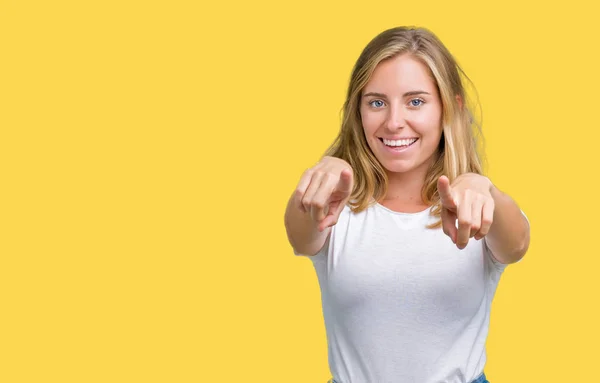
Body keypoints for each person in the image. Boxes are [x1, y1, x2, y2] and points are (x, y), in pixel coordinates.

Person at [283, 26, 530, 383]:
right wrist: (319, 182)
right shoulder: (338, 204)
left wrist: (486, 190)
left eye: (415, 101)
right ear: (359, 111)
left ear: (450, 108)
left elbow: (517, 244)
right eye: (377, 102)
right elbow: (300, 235)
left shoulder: (475, 207)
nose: (394, 122)